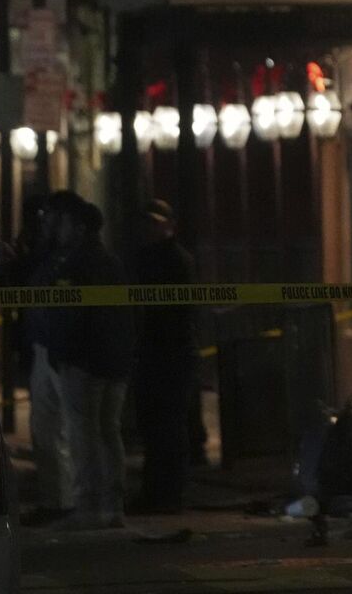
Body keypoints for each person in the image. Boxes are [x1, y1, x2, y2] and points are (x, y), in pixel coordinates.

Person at [45, 192, 135, 530]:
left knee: (83, 434)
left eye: (65, 224)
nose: (59, 229)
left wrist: (63, 353)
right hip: (114, 361)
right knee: (109, 432)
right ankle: (113, 506)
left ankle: (88, 506)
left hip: (84, 361)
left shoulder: (76, 264)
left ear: (79, 227)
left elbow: (70, 316)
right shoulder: (112, 261)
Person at [1, 194, 75, 526]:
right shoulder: (45, 255)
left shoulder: (72, 257)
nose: (46, 225)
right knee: (45, 427)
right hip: (42, 345)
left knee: (68, 428)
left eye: (52, 218)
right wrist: (11, 263)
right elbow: (17, 283)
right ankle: (56, 499)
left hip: (63, 350)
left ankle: (72, 500)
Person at [129, 199, 197, 514]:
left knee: (169, 427)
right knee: (153, 426)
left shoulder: (176, 260)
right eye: (147, 223)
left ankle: (168, 493)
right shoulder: (145, 258)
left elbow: (176, 314)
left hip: (171, 354)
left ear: (170, 225)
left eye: (156, 222)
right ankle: (155, 491)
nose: (150, 228)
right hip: (152, 352)